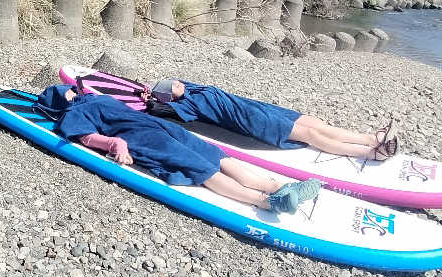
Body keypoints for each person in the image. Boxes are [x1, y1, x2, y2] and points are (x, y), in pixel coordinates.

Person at [35, 85, 321, 214]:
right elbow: (87, 138)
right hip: (140, 138)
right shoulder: (71, 115)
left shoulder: (89, 99)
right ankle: (267, 202)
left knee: (213, 154)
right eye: (67, 91)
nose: (73, 91)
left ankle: (282, 187)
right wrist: (116, 145)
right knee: (200, 167)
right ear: (60, 100)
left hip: (156, 126)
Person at [144, 79, 398, 161]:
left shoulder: (192, 89)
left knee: (315, 123)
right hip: (255, 122)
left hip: (259, 108)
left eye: (174, 81)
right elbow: (159, 110)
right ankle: (370, 153)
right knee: (311, 136)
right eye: (172, 86)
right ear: (170, 97)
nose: (176, 83)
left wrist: (152, 87)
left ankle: (370, 138)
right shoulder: (187, 106)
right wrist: (150, 100)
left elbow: (179, 84)